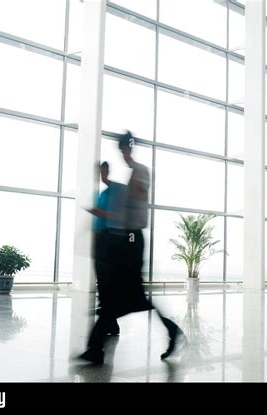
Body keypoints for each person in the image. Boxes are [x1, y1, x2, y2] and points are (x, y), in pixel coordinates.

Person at [80, 131, 183, 364]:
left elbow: (133, 207)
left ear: (130, 149)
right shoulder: (132, 175)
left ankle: (96, 347)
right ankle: (95, 347)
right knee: (126, 296)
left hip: (132, 240)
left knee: (126, 296)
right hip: (127, 240)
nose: (122, 154)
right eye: (121, 150)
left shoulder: (141, 172)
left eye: (124, 149)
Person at [88, 161, 126, 329]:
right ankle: (109, 320)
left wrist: (97, 212)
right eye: (99, 172)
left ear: (107, 171)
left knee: (106, 282)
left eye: (103, 171)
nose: (101, 174)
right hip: (99, 240)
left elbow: (115, 216)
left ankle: (110, 321)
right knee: (102, 281)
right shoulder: (102, 194)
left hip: (108, 240)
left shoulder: (116, 190)